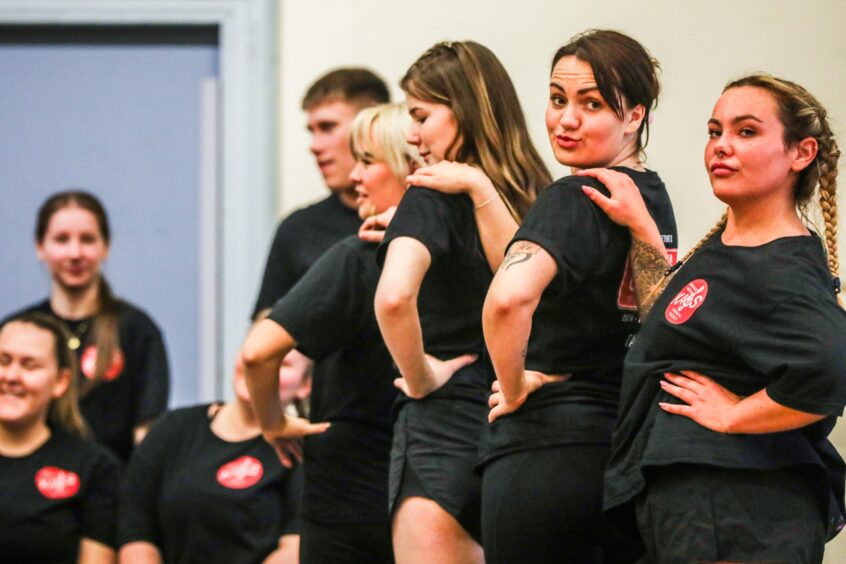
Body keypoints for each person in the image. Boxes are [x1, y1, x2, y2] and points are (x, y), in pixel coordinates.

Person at [583, 74, 846, 563]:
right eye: (714, 131)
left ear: (801, 153)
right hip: (694, 502)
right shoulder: (730, 247)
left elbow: (829, 369)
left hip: (741, 510)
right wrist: (643, 226)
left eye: (746, 132)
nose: (721, 146)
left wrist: (734, 415)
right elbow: (673, 319)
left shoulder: (783, 265)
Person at [478, 30, 676, 562]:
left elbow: (506, 299)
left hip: (547, 452)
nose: (566, 120)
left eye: (591, 104)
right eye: (558, 99)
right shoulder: (652, 200)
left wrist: (513, 386)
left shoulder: (574, 194)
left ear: (635, 116)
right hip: (622, 462)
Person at [374, 41, 550, 563]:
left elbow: (392, 298)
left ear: (466, 109)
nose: (411, 134)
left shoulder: (430, 194)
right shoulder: (541, 196)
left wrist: (421, 375)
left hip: (444, 438)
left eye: (421, 116)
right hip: (526, 435)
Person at [242, 102, 423, 563]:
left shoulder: (359, 258)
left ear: (410, 169)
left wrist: (271, 421)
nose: (356, 176)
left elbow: (257, 353)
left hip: (353, 487)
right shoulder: (474, 249)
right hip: (439, 478)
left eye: (367, 161)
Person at [14, 190, 169, 462]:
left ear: (105, 247)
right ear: (40, 247)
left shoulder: (136, 330)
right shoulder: (19, 333)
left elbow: (147, 437)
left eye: (87, 240)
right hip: (29, 492)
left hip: (111, 490)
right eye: (61, 240)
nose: (75, 253)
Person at [117, 348, 309, 564]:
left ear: (305, 386)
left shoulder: (302, 451)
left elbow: (296, 548)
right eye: (255, 355)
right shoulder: (173, 427)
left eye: (283, 364)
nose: (263, 367)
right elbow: (134, 525)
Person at [252, 67, 390, 319]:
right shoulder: (298, 229)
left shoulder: (423, 219)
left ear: (371, 128)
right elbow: (264, 330)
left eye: (328, 127)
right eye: (312, 131)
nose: (314, 146)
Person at [0, 312, 120, 563]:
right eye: (3, 361)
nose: (11, 376)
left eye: (29, 365)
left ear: (60, 382)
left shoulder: (93, 468)